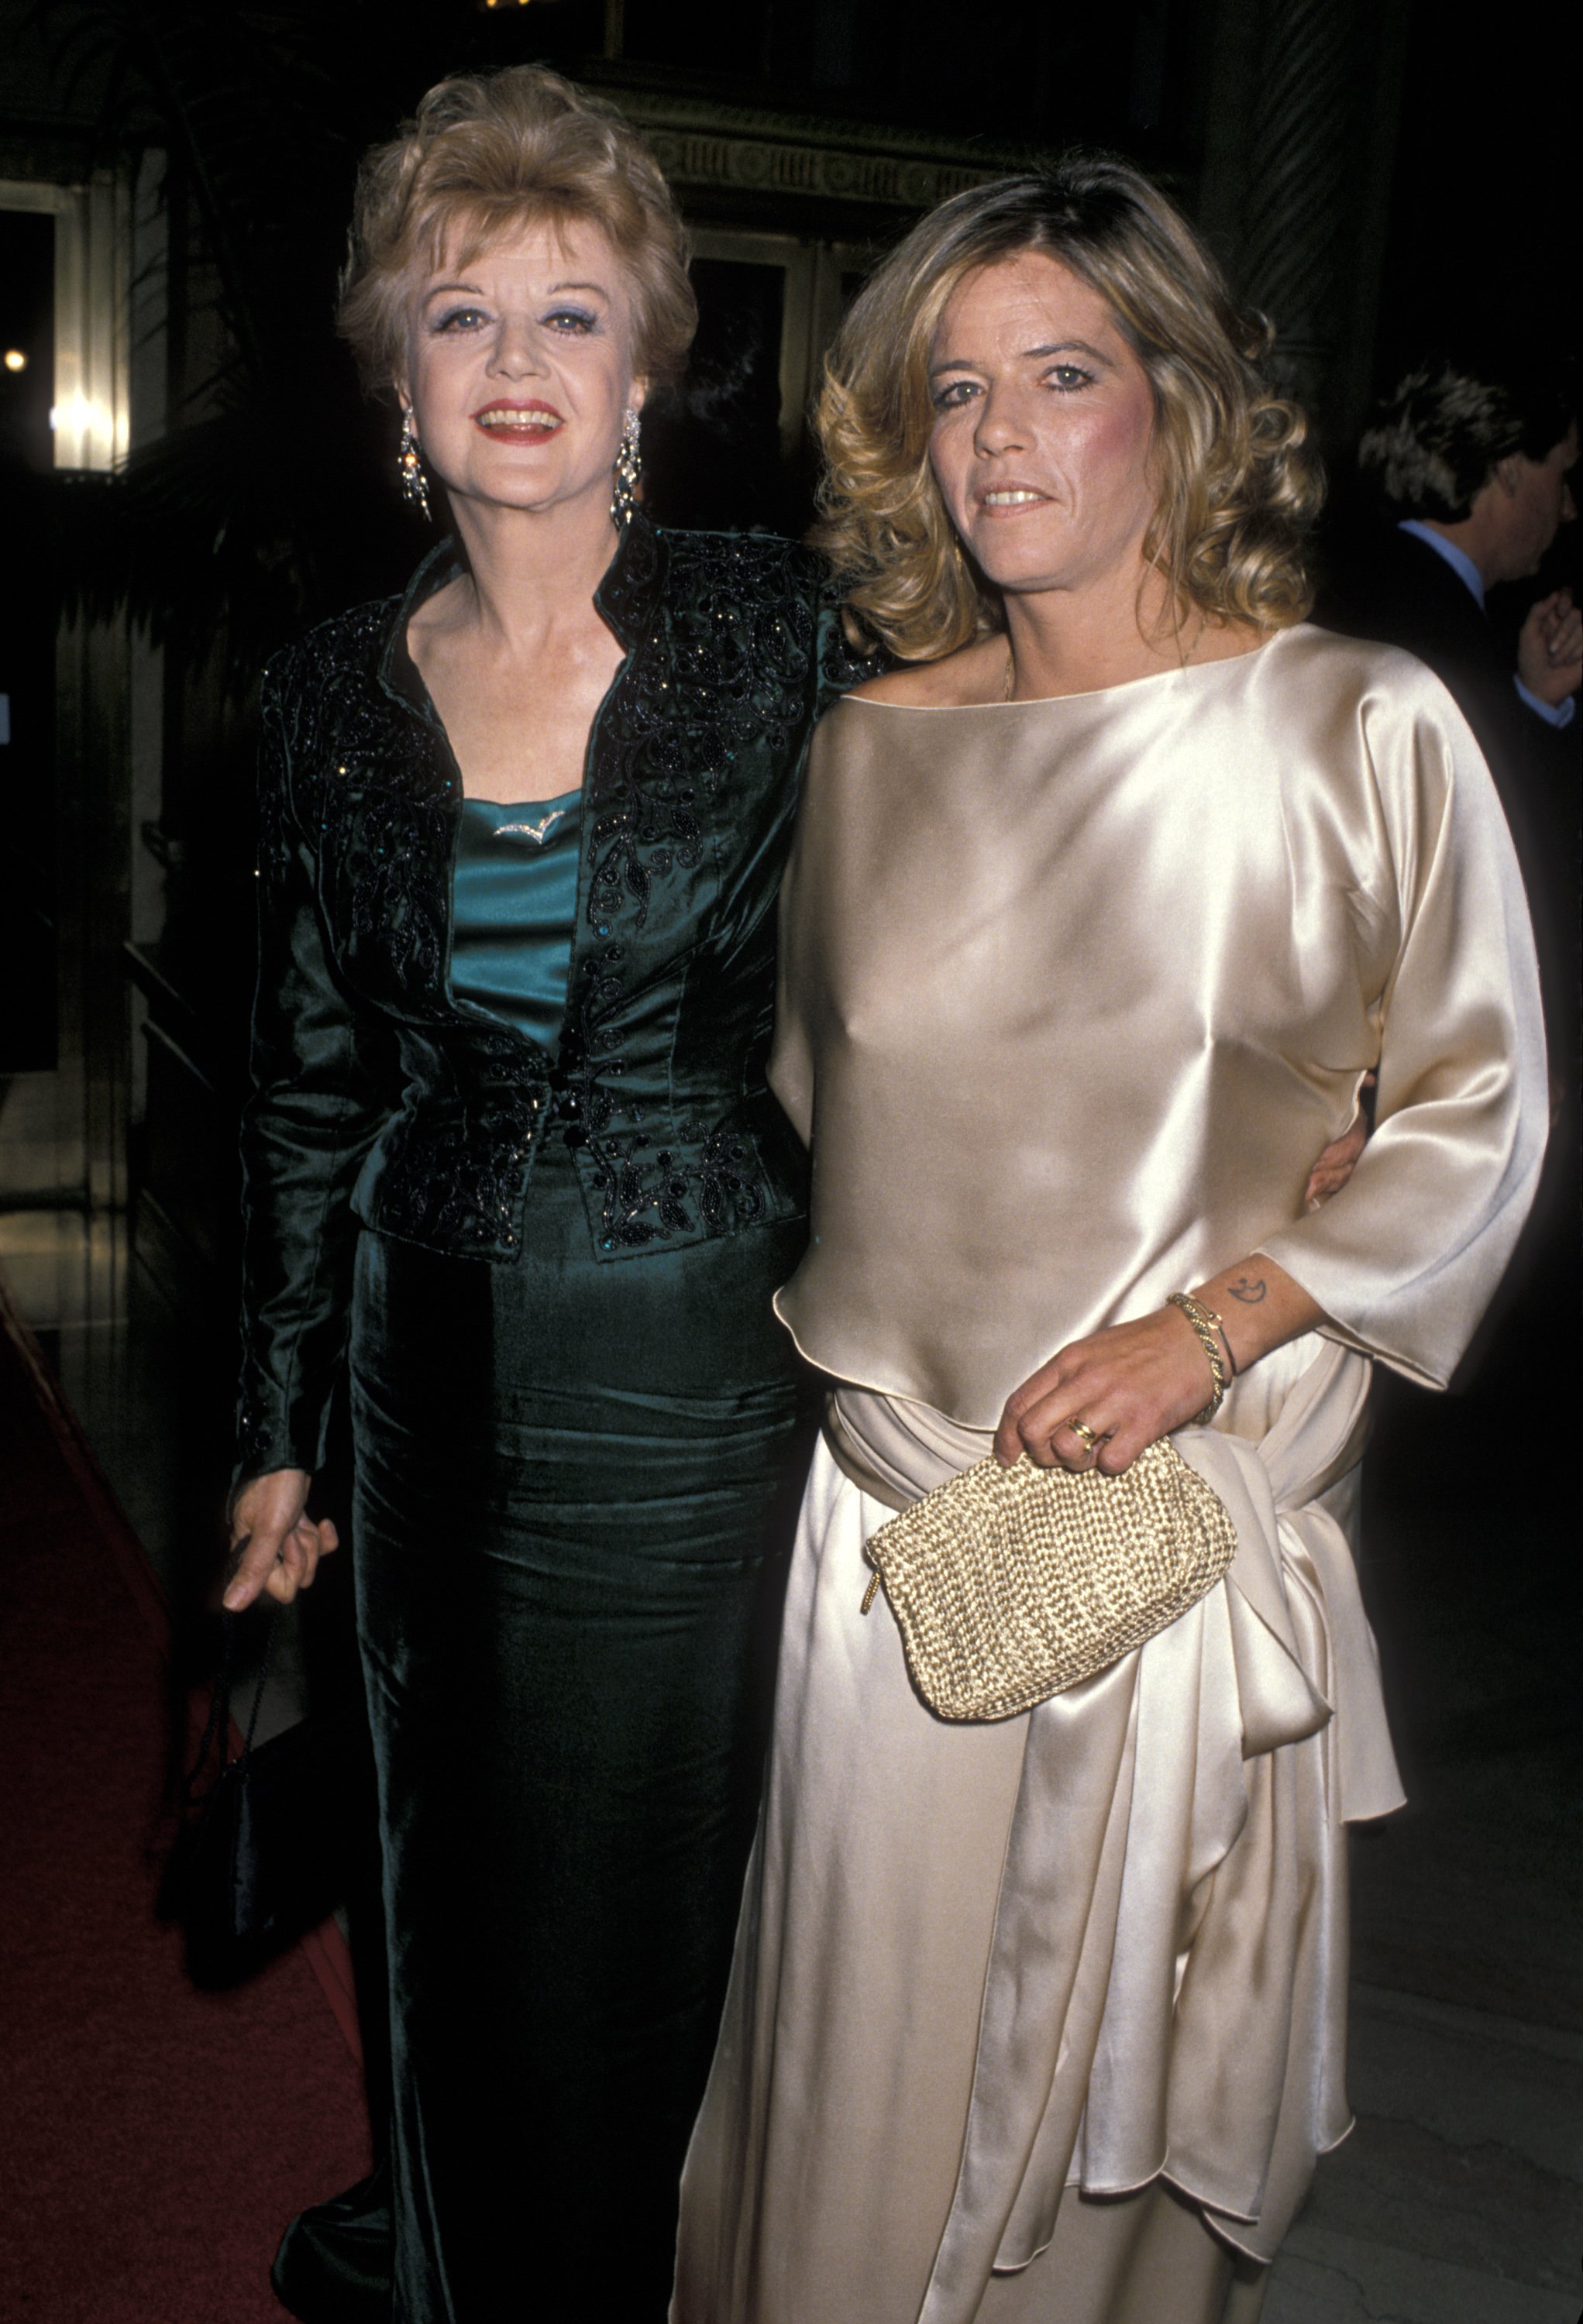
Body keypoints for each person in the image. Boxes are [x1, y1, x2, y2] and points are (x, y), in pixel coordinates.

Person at [673, 163, 1547, 2323]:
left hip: (1157, 1539)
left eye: (1058, 377)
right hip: (878, 1547)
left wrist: (1217, 1316)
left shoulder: (1347, 723)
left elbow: (1477, 1097)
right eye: (951, 391)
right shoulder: (865, 749)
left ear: (1180, 399)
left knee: (1094, 2138)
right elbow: (825, 1099)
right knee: (857, 2081)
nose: (995, 438)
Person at [222, 66, 877, 2322]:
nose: (516, 367)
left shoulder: (787, 643)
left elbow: (967, 949)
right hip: (412, 1367)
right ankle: (459, 2261)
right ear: (398, 373)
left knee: (635, 1879)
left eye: (569, 316)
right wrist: (277, 1425)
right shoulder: (324, 692)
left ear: (646, 367)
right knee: (432, 1862)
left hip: (689, 1366)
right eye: (460, 315)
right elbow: (304, 1091)